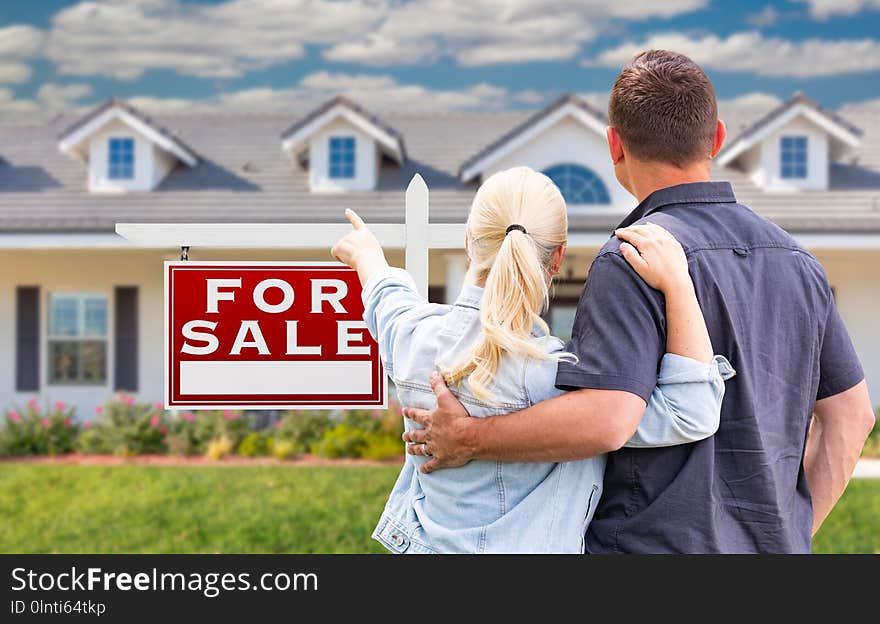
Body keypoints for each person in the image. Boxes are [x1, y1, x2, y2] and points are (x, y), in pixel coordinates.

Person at [400, 50, 876, 553]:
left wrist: (471, 437)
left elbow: (606, 419)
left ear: (614, 145)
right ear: (717, 138)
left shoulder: (631, 256)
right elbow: (852, 417)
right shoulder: (799, 263)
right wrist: (787, 535)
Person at [332, 166, 734, 553]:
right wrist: (678, 283)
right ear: (557, 258)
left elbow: (387, 300)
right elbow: (690, 412)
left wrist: (367, 256)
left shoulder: (413, 339)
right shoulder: (562, 380)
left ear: (469, 242)